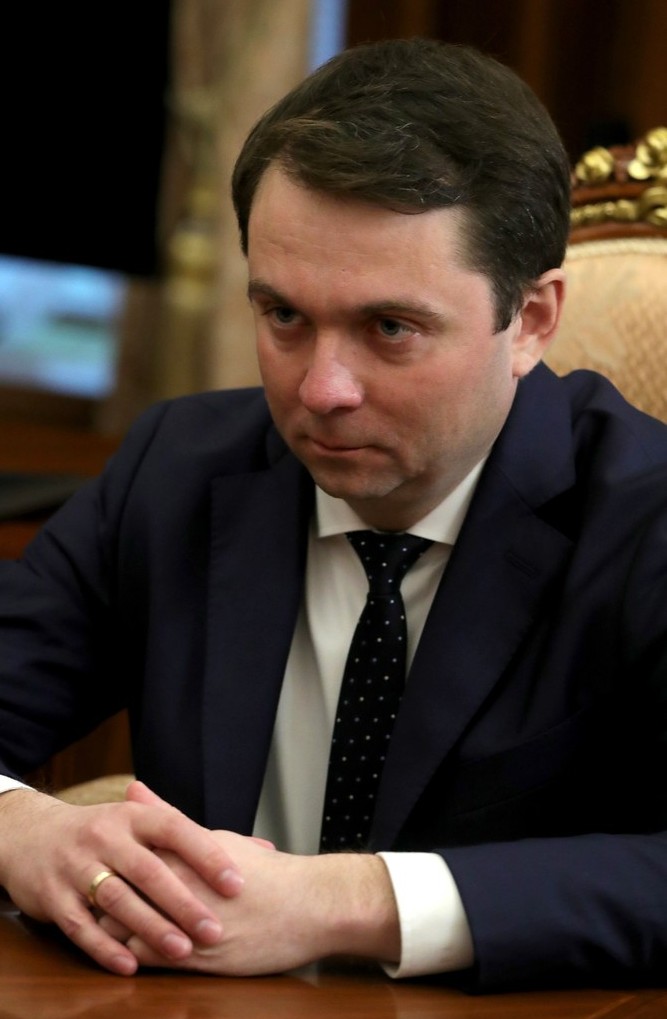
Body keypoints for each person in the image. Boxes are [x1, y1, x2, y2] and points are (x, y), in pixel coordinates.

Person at [1, 37, 667, 991]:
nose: (320, 390)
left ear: (529, 320)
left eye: (389, 328)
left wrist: (348, 899)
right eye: (284, 316)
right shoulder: (179, 467)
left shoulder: (642, 518)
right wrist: (19, 826)